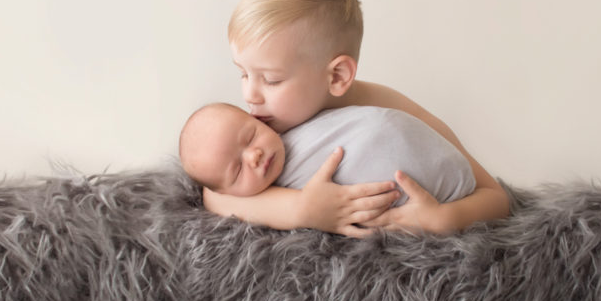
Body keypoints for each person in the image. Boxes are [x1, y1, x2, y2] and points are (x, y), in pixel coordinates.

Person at [202, 0, 509, 237]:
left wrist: (443, 219)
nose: (249, 94)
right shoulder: (261, 125)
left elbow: (494, 198)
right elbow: (214, 193)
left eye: (271, 79)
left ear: (337, 77)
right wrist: (301, 210)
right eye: (243, 74)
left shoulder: (391, 110)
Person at [179, 102, 476, 209]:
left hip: (434, 155)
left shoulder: (296, 116)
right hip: (436, 191)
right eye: (237, 170)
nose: (254, 156)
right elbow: (215, 199)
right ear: (231, 190)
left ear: (258, 119)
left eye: (250, 136)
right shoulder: (272, 198)